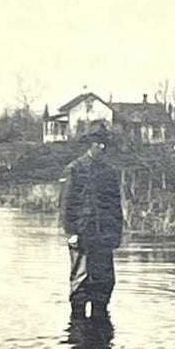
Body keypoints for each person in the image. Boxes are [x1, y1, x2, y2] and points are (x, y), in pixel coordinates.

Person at [59, 122, 123, 318]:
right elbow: (66, 204)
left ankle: (100, 334)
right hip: (82, 234)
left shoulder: (109, 171)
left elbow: (115, 205)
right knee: (81, 281)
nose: (102, 147)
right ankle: (77, 333)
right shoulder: (75, 169)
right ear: (90, 144)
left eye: (104, 143)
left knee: (104, 283)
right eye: (98, 142)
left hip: (104, 235)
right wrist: (71, 233)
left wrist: (116, 234)